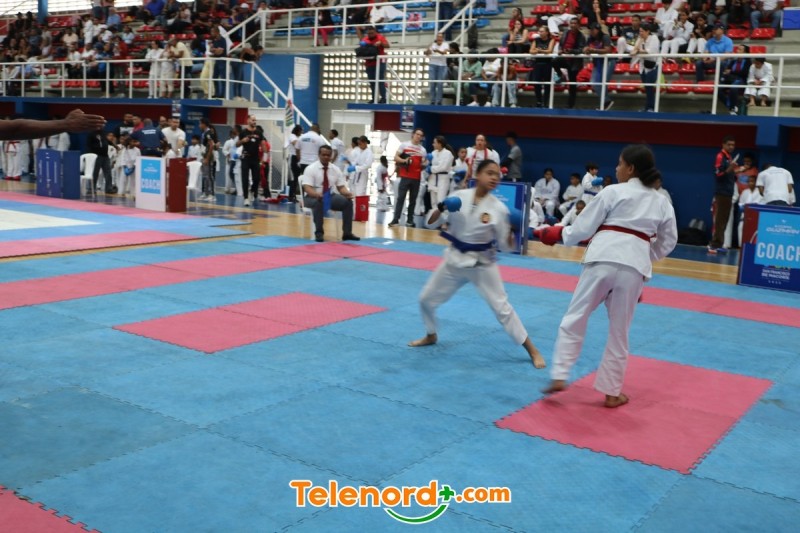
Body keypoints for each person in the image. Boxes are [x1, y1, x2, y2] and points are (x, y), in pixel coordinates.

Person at [538, 144, 678, 408]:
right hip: (633, 267)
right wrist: (644, 256)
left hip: (602, 257)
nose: (616, 168)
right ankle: (612, 393)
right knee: (619, 332)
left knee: (575, 317)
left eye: (620, 163)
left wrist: (560, 234)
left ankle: (559, 374)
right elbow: (669, 241)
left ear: (631, 168)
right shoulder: (662, 201)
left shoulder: (613, 191)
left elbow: (583, 227)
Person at [408, 159, 547, 371]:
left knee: (502, 309)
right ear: (478, 175)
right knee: (425, 299)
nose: (494, 178)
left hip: (482, 264)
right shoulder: (459, 196)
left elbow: (505, 246)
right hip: (454, 259)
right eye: (489, 173)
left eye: (497, 175)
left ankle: (532, 350)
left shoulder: (499, 209)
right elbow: (430, 222)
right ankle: (431, 334)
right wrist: (442, 206)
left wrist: (513, 231)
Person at [300, 145, 361, 243]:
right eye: (323, 155)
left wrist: (347, 193)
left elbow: (341, 187)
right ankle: (319, 233)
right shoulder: (310, 168)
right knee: (319, 202)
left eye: (328, 155)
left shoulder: (335, 169)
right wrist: (317, 195)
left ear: (331, 156)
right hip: (311, 197)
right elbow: (307, 188)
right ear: (319, 155)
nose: (326, 157)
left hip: (329, 196)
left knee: (348, 202)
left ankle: (347, 233)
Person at [389, 128, 426, 228]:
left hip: (416, 178)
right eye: (417, 134)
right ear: (413, 134)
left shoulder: (423, 150)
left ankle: (410, 220)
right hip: (405, 176)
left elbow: (423, 164)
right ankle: (395, 219)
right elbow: (396, 157)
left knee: (413, 200)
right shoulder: (404, 145)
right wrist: (404, 161)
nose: (419, 137)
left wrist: (425, 163)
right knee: (400, 198)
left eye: (421, 135)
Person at [709, 135, 737, 253]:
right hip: (722, 193)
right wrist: (730, 169)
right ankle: (714, 245)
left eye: (733, 145)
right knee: (720, 219)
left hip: (728, 192)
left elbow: (728, 174)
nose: (731, 147)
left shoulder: (729, 157)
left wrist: (735, 171)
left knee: (724, 219)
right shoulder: (720, 156)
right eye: (729, 144)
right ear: (723, 144)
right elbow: (718, 174)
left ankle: (719, 243)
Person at [237, 114, 268, 206]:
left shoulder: (259, 132)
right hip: (245, 157)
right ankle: (246, 198)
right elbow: (237, 144)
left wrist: (264, 158)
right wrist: (242, 141)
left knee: (256, 178)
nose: (254, 122)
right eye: (253, 120)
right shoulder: (243, 132)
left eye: (255, 120)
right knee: (245, 178)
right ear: (248, 120)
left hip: (255, 158)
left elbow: (263, 145)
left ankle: (252, 190)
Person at [631, 23, 661, 113]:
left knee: (649, 87)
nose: (640, 33)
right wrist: (639, 43)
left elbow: (650, 52)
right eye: (639, 31)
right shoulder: (640, 38)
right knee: (647, 89)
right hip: (643, 67)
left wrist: (638, 51)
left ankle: (651, 108)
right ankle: (647, 107)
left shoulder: (654, 38)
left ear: (648, 31)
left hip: (653, 66)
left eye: (642, 31)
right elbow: (634, 50)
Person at [360, 26, 390, 104]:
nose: (370, 35)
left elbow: (388, 46)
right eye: (369, 33)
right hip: (369, 64)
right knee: (372, 82)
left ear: (375, 32)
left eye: (372, 33)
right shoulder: (365, 39)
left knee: (380, 80)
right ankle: (374, 99)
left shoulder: (380, 37)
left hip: (380, 63)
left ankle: (383, 98)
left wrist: (381, 43)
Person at [425, 33, 449, 106]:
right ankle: (432, 100)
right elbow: (427, 53)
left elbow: (445, 52)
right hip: (433, 64)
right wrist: (427, 49)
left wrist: (437, 51)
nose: (439, 38)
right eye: (438, 37)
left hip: (442, 65)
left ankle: (439, 101)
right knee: (432, 83)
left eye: (440, 37)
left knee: (440, 83)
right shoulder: (433, 45)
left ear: (442, 38)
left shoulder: (445, 44)